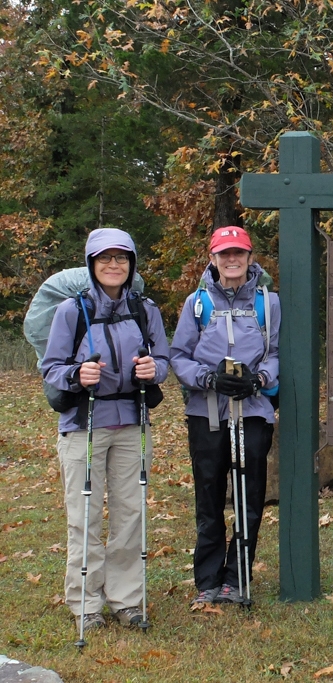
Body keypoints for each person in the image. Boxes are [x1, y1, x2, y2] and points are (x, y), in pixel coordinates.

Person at [41, 228, 170, 632]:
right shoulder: (70, 311)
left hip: (132, 422)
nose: (113, 265)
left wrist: (154, 370)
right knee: (85, 515)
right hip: (84, 424)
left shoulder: (146, 309)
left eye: (121, 258)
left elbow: (162, 359)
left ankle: (127, 600)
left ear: (131, 265)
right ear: (91, 264)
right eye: (104, 258)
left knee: (131, 514)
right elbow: (51, 369)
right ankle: (85, 603)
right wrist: (79, 373)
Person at [170, 226, 279, 608]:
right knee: (209, 493)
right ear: (213, 259)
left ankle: (238, 578)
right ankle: (209, 579)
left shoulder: (268, 301)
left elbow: (277, 351)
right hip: (207, 412)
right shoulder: (197, 303)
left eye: (239, 253)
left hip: (252, 410)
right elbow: (178, 355)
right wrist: (207, 377)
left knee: (248, 496)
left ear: (250, 258)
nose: (232, 260)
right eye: (224, 254)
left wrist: (260, 378)